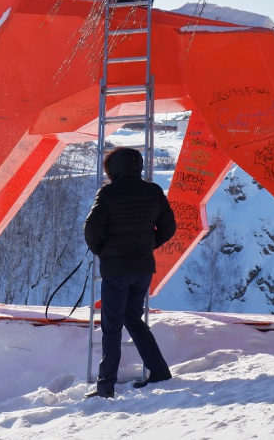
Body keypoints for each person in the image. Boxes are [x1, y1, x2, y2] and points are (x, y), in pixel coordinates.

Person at [84, 147, 177, 398]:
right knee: (134, 320)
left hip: (116, 269)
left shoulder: (108, 192)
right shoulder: (154, 191)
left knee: (111, 327)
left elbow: (92, 228)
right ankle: (159, 371)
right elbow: (169, 227)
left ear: (113, 169)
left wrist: (102, 251)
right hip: (143, 267)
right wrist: (148, 245)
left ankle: (105, 388)